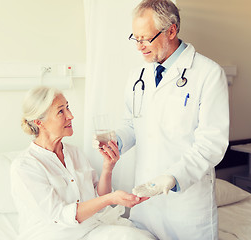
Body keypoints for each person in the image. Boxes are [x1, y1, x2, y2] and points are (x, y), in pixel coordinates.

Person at [107, 0, 229, 239]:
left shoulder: (208, 74)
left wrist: (173, 177)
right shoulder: (137, 76)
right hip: (146, 200)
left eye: (145, 38)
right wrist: (115, 141)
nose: (139, 47)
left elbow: (211, 144)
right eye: (136, 38)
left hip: (187, 204)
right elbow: (132, 124)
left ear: (171, 30)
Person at [10, 86, 156, 240]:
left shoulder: (75, 153)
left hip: (90, 230)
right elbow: (59, 215)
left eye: (68, 107)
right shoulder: (25, 167)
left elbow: (99, 199)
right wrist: (111, 198)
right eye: (61, 111)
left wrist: (108, 167)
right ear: (39, 122)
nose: (70, 116)